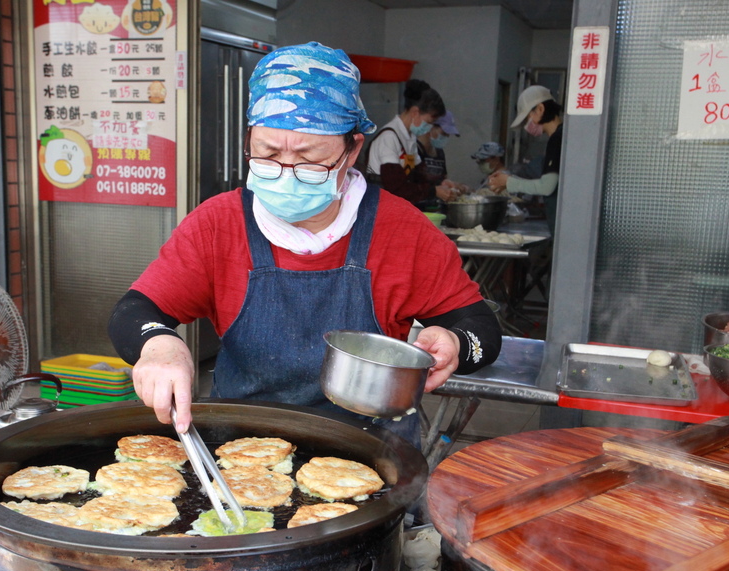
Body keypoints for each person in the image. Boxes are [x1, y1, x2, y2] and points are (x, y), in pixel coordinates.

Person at [108, 42, 502, 447]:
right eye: (267, 153)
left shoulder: (402, 230)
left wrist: (455, 343)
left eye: (310, 158)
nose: (286, 173)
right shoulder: (218, 224)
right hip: (240, 450)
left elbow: (481, 329)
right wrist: (158, 344)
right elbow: (135, 310)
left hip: (371, 452)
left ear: (352, 150)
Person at [365, 79, 464, 206]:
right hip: (380, 208)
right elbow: (395, 188)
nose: (429, 127)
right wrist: (434, 191)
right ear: (415, 112)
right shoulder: (389, 138)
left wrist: (440, 185)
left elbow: (418, 176)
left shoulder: (409, 138)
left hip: (398, 208)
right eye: (429, 122)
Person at [488, 85, 563, 230]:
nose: (528, 126)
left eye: (528, 117)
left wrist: (508, 182)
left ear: (540, 109)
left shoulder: (557, 139)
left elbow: (547, 187)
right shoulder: (561, 136)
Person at [417, 111, 469, 194]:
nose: (446, 137)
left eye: (448, 135)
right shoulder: (415, 150)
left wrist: (452, 185)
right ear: (430, 126)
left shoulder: (439, 152)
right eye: (444, 133)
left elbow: (442, 179)